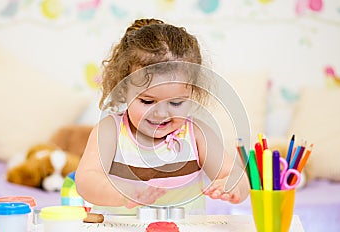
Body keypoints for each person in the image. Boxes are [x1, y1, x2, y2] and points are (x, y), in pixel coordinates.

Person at [75, 18, 250, 213]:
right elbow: (86, 180)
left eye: (176, 103)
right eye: (147, 101)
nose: (160, 113)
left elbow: (235, 175)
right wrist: (122, 193)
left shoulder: (197, 134)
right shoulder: (110, 131)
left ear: (192, 93)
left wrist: (232, 186)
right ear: (124, 88)